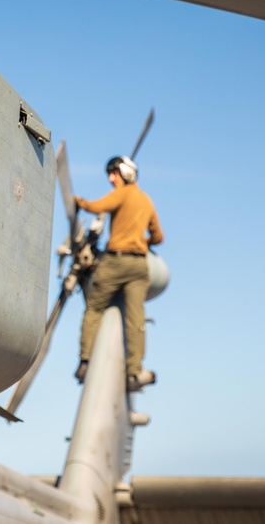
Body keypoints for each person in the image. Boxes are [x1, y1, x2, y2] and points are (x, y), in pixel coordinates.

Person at [73, 155, 163, 391]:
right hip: (139, 266)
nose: (111, 178)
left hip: (115, 262)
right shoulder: (146, 201)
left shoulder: (123, 193)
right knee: (135, 319)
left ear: (124, 173)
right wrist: (141, 240)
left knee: (94, 308)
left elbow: (96, 207)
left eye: (113, 173)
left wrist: (78, 201)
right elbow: (159, 237)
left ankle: (85, 362)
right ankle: (134, 373)